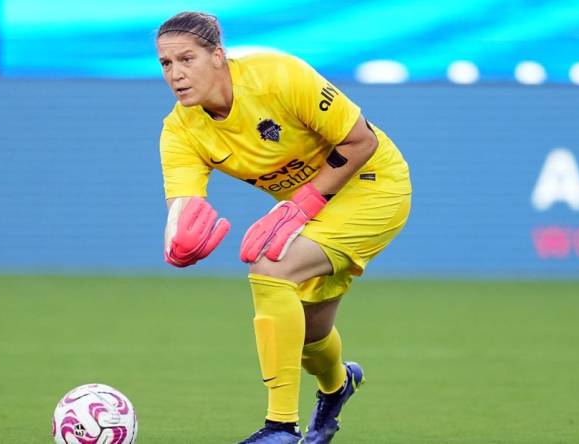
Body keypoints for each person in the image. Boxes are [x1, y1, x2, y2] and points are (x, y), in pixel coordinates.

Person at [156, 11, 411, 444]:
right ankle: (337, 385)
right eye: (166, 64)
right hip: (309, 212)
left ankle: (280, 429)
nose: (176, 74)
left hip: (373, 186)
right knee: (311, 336)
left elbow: (361, 141)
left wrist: (302, 204)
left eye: (187, 59)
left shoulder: (277, 75)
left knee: (270, 266)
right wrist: (177, 244)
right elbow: (182, 205)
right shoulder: (180, 131)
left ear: (218, 55)